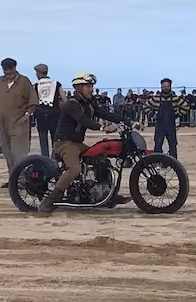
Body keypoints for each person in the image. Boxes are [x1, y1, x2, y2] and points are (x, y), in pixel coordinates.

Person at [37, 73, 134, 213]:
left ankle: (108, 195)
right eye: (88, 86)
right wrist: (102, 128)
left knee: (102, 160)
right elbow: (83, 120)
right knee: (74, 169)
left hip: (77, 144)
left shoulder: (89, 103)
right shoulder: (72, 104)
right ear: (79, 88)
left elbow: (104, 113)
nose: (91, 89)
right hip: (65, 143)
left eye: (92, 86)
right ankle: (50, 201)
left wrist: (126, 121)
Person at [0, 58, 37, 188]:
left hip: (19, 123)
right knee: (8, 153)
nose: (8, 72)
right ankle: (13, 180)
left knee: (18, 153)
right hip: (3, 124)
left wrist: (27, 115)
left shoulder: (24, 81)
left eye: (10, 69)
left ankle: (22, 180)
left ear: (15, 68)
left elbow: (33, 101)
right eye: (5, 70)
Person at [144, 78, 189, 159]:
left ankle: (174, 162)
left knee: (173, 145)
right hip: (159, 126)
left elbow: (185, 106)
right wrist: (152, 115)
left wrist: (177, 114)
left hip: (171, 125)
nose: (166, 88)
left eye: (167, 86)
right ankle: (157, 162)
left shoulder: (175, 98)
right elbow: (145, 106)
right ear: (161, 87)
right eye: (164, 86)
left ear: (170, 87)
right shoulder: (156, 98)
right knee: (158, 145)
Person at [33, 63, 66, 158]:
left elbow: (33, 100)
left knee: (43, 139)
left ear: (39, 73)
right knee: (55, 138)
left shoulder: (36, 85)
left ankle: (45, 160)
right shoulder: (56, 83)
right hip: (55, 114)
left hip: (41, 114)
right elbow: (64, 99)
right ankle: (55, 159)